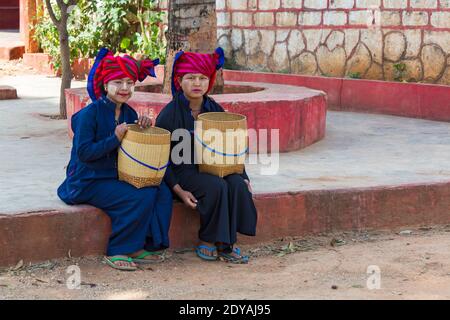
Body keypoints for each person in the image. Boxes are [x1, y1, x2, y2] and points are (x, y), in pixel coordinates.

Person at [57, 48, 173, 271]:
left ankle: (140, 245)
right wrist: (114, 138)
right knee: (136, 196)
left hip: (114, 176)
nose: (124, 88)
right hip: (87, 181)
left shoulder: (129, 113)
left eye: (129, 83)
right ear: (105, 85)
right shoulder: (90, 114)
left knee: (157, 191)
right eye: (118, 82)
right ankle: (118, 249)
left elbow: (132, 150)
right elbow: (84, 154)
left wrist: (143, 129)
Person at [156, 47, 257, 264]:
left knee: (237, 185)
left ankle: (229, 242)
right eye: (190, 78)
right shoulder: (168, 115)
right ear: (179, 80)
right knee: (217, 186)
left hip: (214, 166)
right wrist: (180, 191)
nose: (197, 83)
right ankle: (209, 240)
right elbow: (161, 160)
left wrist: (244, 175)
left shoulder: (216, 110)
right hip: (183, 172)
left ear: (209, 81)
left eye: (202, 78)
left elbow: (232, 148)